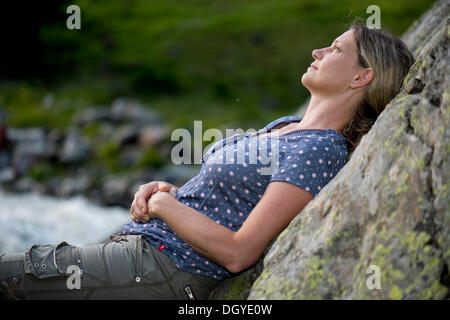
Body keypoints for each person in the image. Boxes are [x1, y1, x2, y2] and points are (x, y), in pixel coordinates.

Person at [0, 23, 414, 300]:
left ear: (362, 77)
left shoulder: (321, 149)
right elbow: (222, 199)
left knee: (13, 275)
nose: (318, 50)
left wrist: (164, 206)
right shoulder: (288, 126)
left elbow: (239, 251)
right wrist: (167, 190)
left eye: (336, 49)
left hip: (169, 267)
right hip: (144, 247)